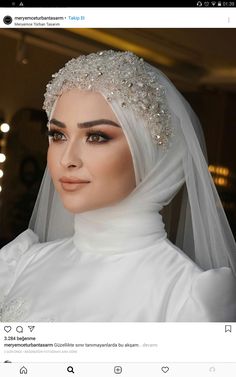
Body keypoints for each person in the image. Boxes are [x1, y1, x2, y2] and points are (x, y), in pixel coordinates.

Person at [0, 50, 235, 322]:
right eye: (58, 134)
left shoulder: (185, 296)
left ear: (150, 153)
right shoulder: (21, 263)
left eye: (97, 137)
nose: (67, 159)